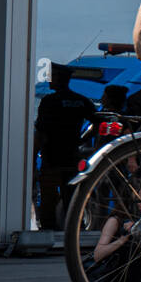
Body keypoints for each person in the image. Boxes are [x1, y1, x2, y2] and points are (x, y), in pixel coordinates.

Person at [33, 63, 97, 230]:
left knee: (48, 200)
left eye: (51, 76)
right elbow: (99, 122)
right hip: (72, 156)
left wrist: (33, 158)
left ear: (59, 79)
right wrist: (82, 139)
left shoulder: (49, 102)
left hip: (51, 158)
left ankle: (48, 231)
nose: (49, 80)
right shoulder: (81, 101)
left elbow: (40, 132)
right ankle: (75, 231)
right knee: (73, 198)